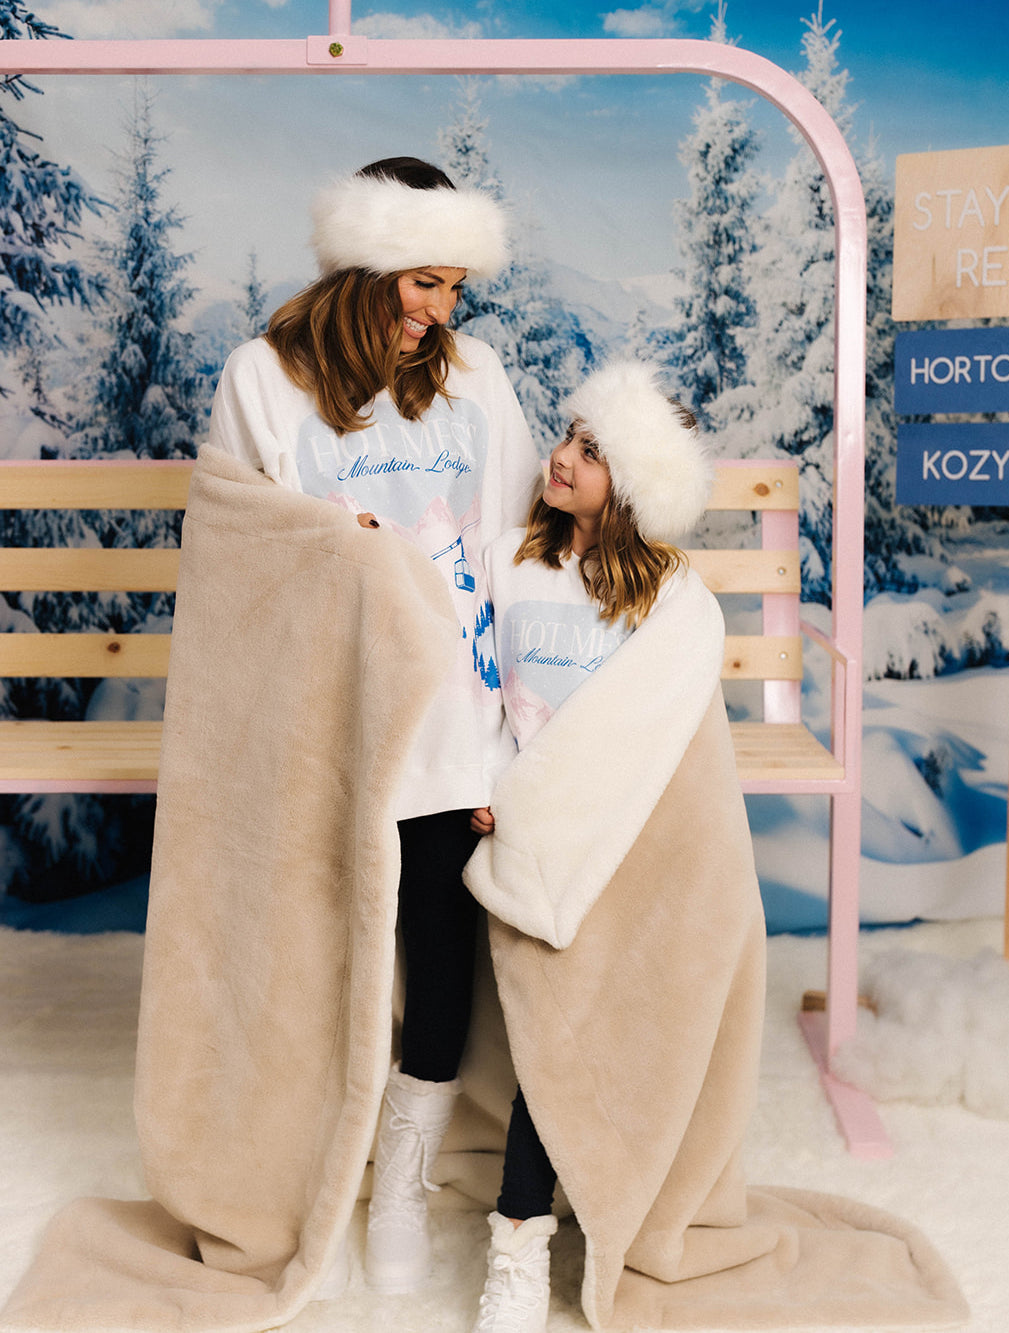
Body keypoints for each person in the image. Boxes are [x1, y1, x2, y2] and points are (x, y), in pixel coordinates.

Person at [206, 156, 542, 1299]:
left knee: (442, 966)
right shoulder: (261, 381)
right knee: (313, 962)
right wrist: (324, 545)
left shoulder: (476, 380)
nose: (440, 311)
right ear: (366, 270)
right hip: (328, 729)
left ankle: (398, 1176)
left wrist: (517, 730)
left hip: (454, 724)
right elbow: (238, 556)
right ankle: (291, 1164)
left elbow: (514, 551)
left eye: (454, 287)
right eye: (423, 284)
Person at [466, 359, 716, 1333]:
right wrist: (489, 776)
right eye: (566, 436)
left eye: (589, 452)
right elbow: (475, 689)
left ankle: (564, 1208)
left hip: (613, 843)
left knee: (582, 1035)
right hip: (521, 828)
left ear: (632, 490)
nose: (559, 457)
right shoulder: (507, 562)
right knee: (544, 1035)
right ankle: (518, 1244)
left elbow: (662, 735)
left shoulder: (665, 599)